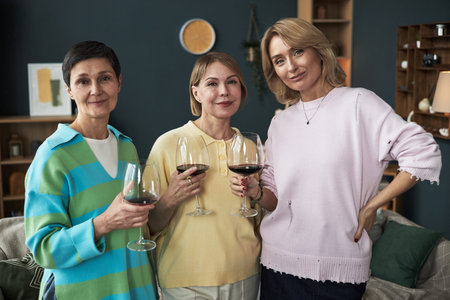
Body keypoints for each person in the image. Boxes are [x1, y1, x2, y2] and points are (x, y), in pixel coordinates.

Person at [235, 18, 442, 299]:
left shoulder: (358, 104)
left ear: (318, 51)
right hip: (277, 263)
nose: (291, 66)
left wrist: (373, 206)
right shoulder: (280, 123)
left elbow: (423, 152)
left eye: (297, 51)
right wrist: (257, 192)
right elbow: (275, 199)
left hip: (340, 269)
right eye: (279, 60)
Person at [24, 41, 159, 299]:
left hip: (135, 289)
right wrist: (104, 223)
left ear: (119, 83)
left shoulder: (126, 146)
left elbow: (136, 228)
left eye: (104, 78)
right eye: (83, 81)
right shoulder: (53, 156)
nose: (95, 90)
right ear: (69, 90)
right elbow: (43, 250)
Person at [146, 51, 260, 299]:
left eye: (232, 82)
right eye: (212, 83)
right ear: (196, 93)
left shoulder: (250, 149)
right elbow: (149, 225)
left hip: (245, 276)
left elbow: (259, 218)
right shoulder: (168, 144)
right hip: (186, 282)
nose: (224, 91)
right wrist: (171, 198)